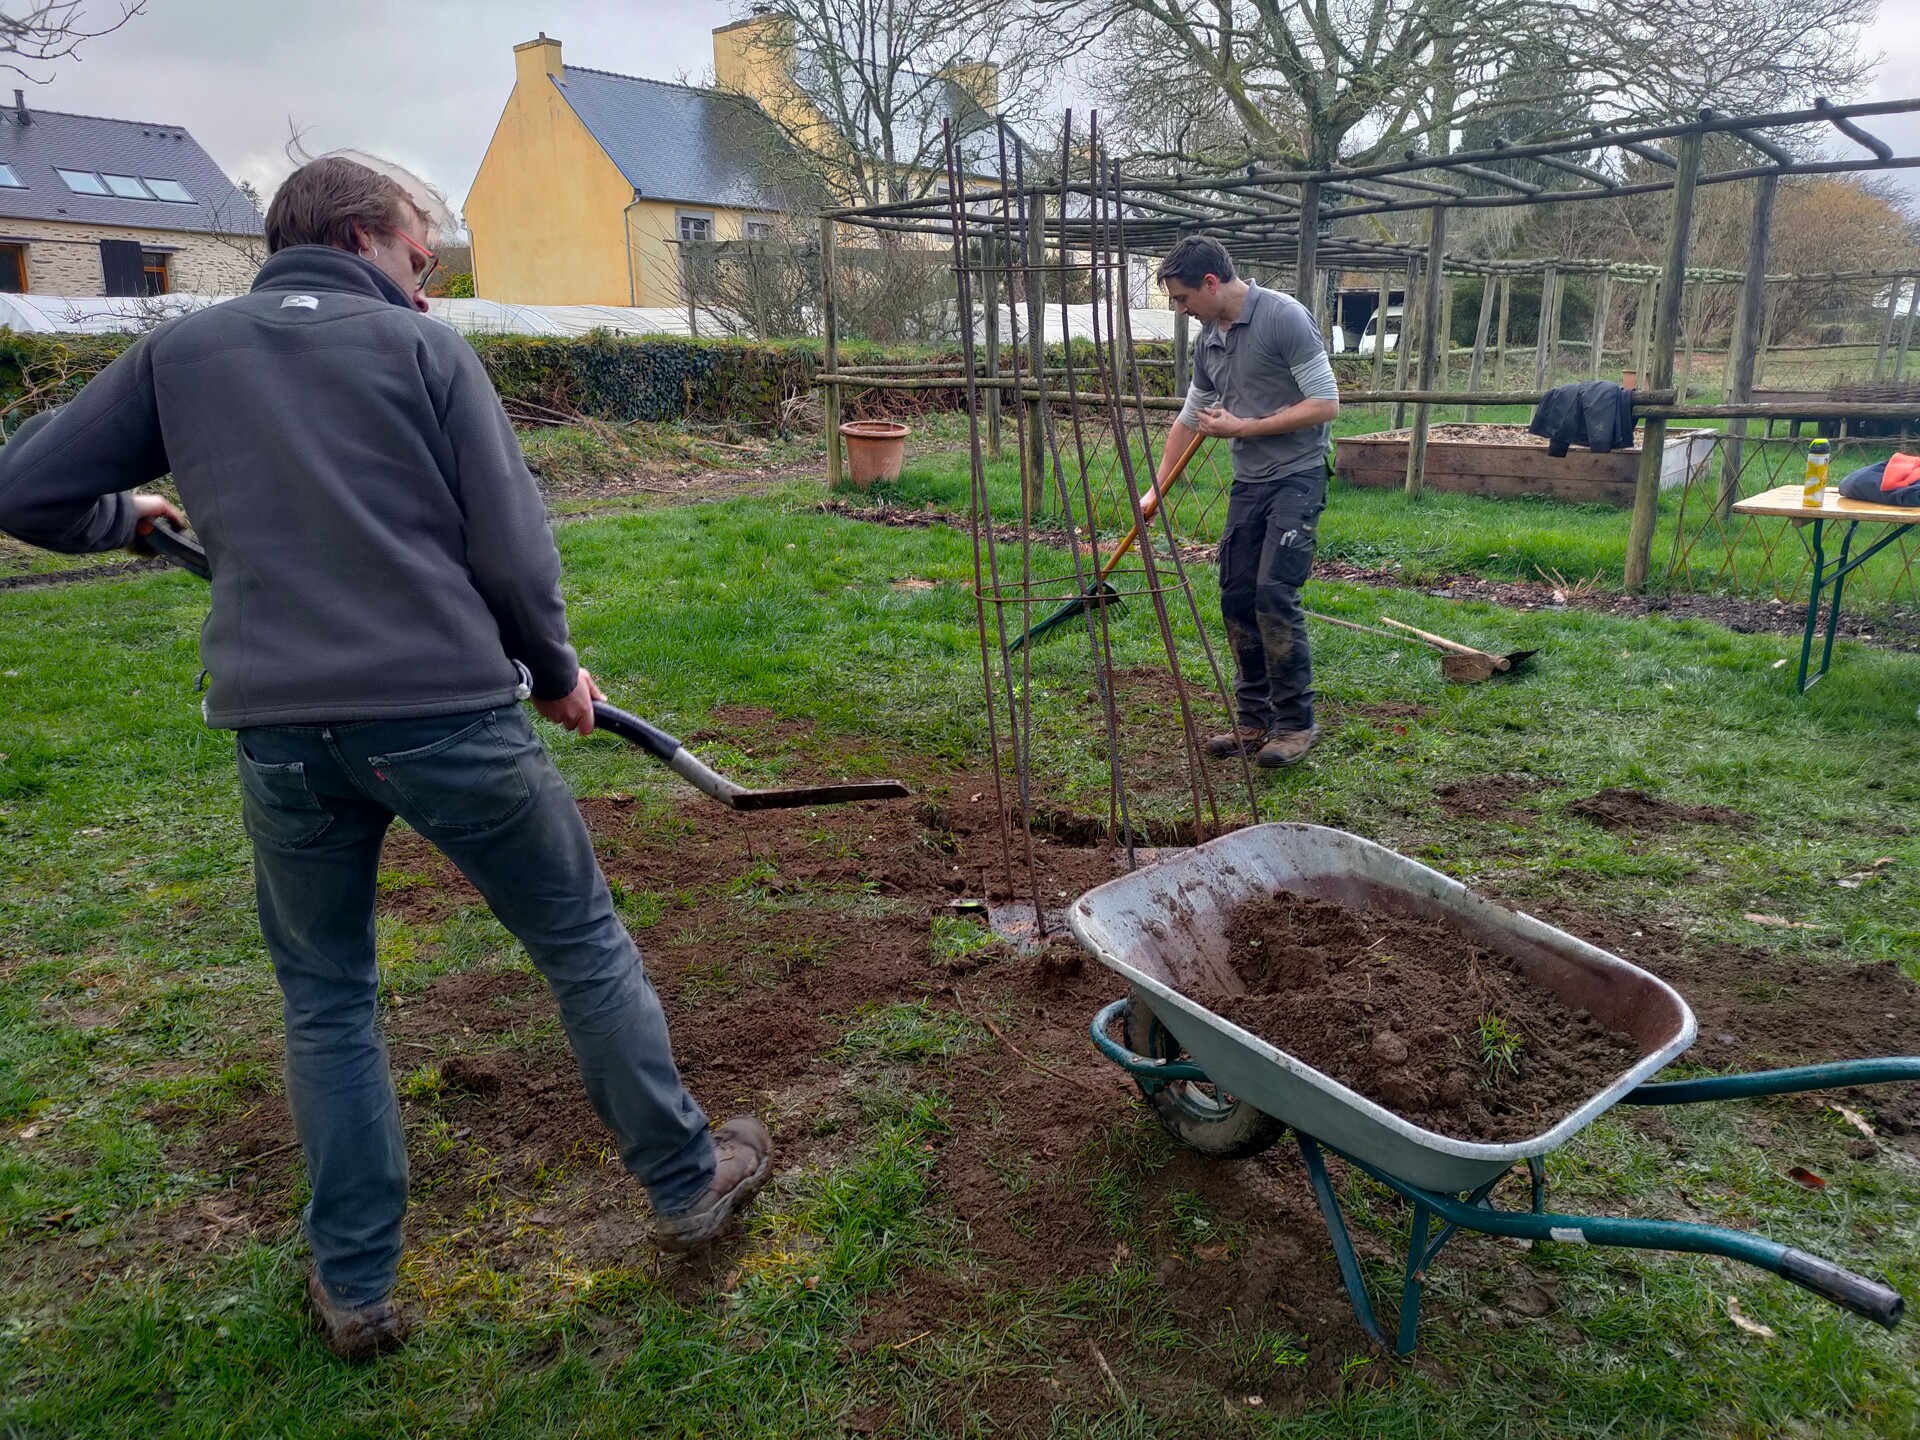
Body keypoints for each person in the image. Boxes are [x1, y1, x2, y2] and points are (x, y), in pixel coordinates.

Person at [0, 155, 771, 1361]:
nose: (427, 289)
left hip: (281, 734)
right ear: (365, 237)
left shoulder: (183, 354)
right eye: (421, 261)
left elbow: (24, 489)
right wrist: (556, 670)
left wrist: (119, 519)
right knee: (578, 944)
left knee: (326, 999)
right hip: (450, 717)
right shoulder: (426, 355)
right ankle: (685, 1186)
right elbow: (511, 555)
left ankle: (355, 1286)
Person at [1152, 236, 1340, 767]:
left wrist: (1245, 428)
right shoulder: (1210, 339)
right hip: (1250, 480)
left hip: (1297, 475)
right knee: (1236, 595)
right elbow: (1190, 416)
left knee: (1273, 594)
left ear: (1211, 283)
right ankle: (1254, 719)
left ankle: (1295, 724)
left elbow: (1326, 404)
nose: (1180, 310)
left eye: (1183, 299)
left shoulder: (1284, 318)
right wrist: (1156, 488)